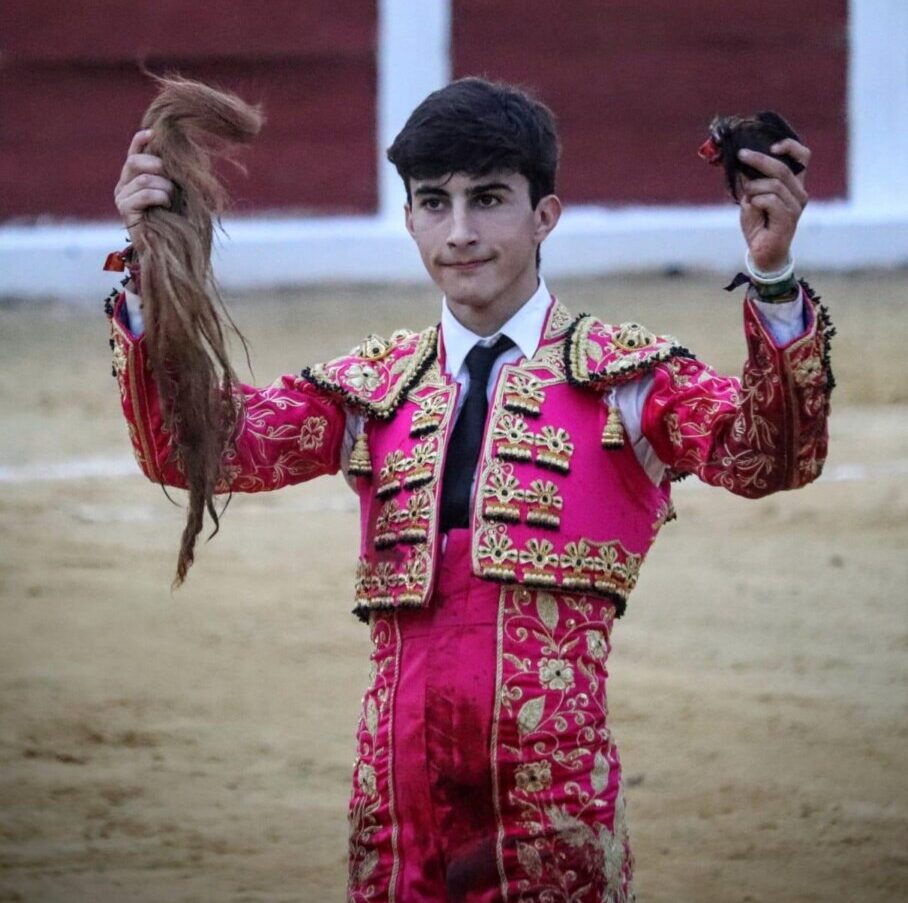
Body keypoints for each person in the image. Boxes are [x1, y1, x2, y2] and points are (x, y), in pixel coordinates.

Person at [106, 77, 832, 902]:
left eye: (487, 199)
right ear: (409, 217)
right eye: (433, 202)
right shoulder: (373, 387)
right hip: (396, 808)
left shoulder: (627, 379)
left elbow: (768, 457)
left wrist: (772, 277)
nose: (460, 232)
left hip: (552, 815)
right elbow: (195, 449)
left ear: (543, 215)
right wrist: (149, 267)